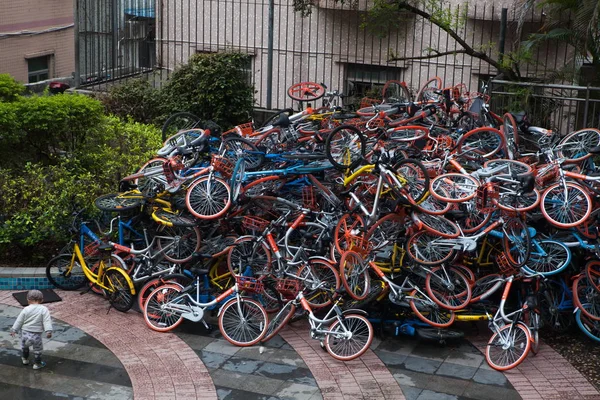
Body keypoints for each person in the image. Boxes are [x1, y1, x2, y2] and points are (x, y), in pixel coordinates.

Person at [10, 290, 53, 370]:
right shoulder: (44, 309)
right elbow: (47, 321)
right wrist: (48, 331)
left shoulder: (26, 309)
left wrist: (14, 330)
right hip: (36, 335)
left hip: (25, 333)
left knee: (25, 347)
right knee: (37, 350)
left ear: (28, 300)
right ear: (42, 300)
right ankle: (37, 364)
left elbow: (19, 320)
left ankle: (25, 359)